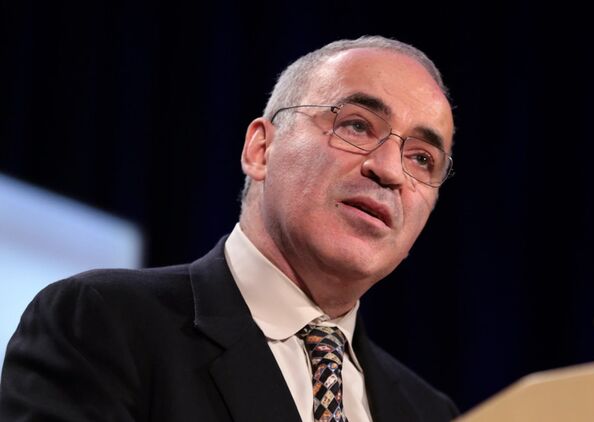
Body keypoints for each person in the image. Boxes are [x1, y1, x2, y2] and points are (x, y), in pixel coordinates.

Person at [0, 35, 457, 421]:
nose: (389, 170)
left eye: (422, 158)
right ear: (261, 149)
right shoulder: (103, 323)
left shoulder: (429, 413)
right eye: (357, 125)